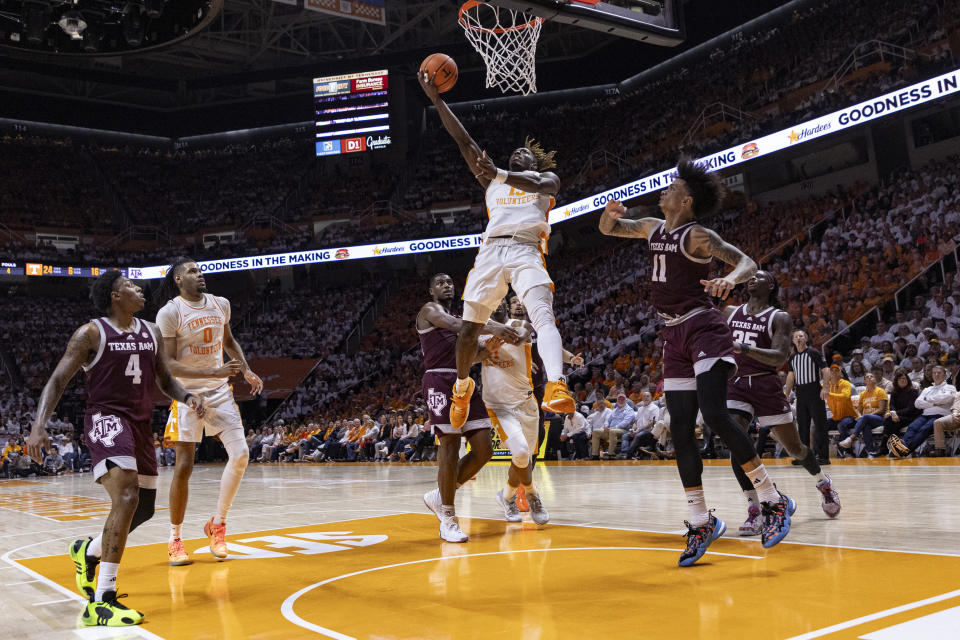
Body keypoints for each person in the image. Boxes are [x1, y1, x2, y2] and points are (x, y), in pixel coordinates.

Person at [599, 157, 792, 566]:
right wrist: (608, 215)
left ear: (684, 201)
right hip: (673, 336)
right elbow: (610, 229)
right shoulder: (652, 226)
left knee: (717, 416)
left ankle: (772, 499)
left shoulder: (699, 235)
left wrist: (729, 279)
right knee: (682, 432)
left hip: (705, 327)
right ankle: (700, 519)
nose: (664, 191)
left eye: (671, 188)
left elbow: (746, 263)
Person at [25, 270, 204, 627]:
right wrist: (39, 425)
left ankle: (87, 551)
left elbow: (163, 378)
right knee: (126, 497)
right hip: (106, 418)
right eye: (129, 286)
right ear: (114, 296)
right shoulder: (91, 333)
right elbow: (58, 379)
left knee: (146, 509)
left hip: (140, 424)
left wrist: (185, 396)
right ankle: (102, 599)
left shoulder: (151, 330)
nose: (138, 289)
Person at [418, 70, 576, 432]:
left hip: (526, 251)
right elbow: (463, 139)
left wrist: (501, 173)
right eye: (515, 151)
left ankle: (556, 383)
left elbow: (536, 180)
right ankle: (461, 388)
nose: (519, 153)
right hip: (490, 253)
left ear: (533, 163)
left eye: (525, 153)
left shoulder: (544, 182)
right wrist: (436, 99)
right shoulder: (491, 178)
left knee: (543, 315)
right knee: (469, 332)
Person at [155, 257, 263, 565]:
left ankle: (218, 524)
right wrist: (214, 374)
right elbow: (169, 364)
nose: (200, 274)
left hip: (219, 393)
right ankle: (175, 538)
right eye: (192, 271)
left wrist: (246, 370)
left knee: (241, 454)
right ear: (178, 279)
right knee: (184, 467)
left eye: (200, 270)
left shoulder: (221, 304)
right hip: (186, 394)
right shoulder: (171, 312)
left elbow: (228, 341)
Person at [723, 271, 840, 536]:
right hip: (736, 383)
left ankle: (823, 483)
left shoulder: (779, 317)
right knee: (737, 444)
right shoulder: (730, 311)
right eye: (749, 277)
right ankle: (756, 507)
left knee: (796, 449)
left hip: (766, 384)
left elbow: (777, 357)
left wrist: (745, 349)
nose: (752, 279)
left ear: (771, 285)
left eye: (759, 276)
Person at [417, 273, 520, 542]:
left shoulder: (465, 323)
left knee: (484, 449)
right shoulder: (430, 311)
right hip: (439, 378)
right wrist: (495, 328)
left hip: (463, 378)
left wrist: (489, 349)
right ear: (431, 291)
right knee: (450, 446)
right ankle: (448, 518)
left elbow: (472, 356)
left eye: (449, 281)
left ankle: (440, 496)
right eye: (439, 282)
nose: (446, 284)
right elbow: (456, 324)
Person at [888, 365, 957, 457]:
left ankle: (902, 450)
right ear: (932, 375)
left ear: (945, 375)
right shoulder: (927, 389)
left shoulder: (950, 388)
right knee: (912, 427)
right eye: (934, 373)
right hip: (925, 415)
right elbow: (917, 403)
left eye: (939, 373)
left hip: (940, 415)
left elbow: (946, 398)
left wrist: (927, 399)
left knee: (924, 429)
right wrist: (935, 403)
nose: (936, 375)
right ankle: (902, 448)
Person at [785, 329, 831, 464]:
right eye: (796, 337)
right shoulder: (792, 357)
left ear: (805, 339)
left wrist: (825, 387)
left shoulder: (813, 353)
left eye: (801, 336)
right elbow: (790, 376)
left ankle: (823, 456)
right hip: (800, 392)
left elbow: (825, 369)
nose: (799, 338)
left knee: (820, 425)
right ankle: (804, 457)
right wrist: (786, 394)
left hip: (814, 390)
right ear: (793, 341)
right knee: (803, 426)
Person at [838, 373, 888, 457]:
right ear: (864, 381)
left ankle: (851, 438)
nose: (869, 377)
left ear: (875, 380)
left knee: (866, 418)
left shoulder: (880, 391)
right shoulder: (863, 394)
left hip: (880, 418)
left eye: (871, 376)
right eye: (866, 377)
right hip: (866, 420)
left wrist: (866, 416)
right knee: (866, 426)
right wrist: (859, 416)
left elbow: (882, 409)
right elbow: (859, 410)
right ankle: (870, 451)